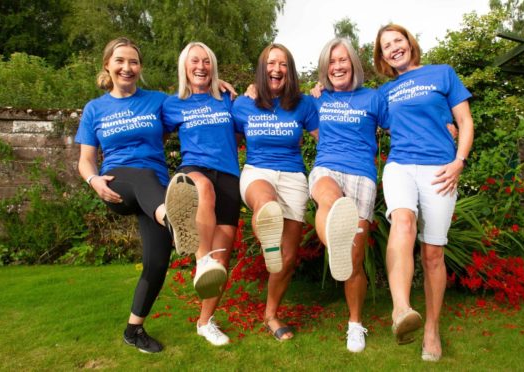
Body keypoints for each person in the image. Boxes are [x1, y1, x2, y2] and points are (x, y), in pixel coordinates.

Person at [373, 24, 474, 361]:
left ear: (409, 43)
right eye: (386, 45)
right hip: (400, 165)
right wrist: (318, 93)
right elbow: (353, 109)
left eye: (397, 40)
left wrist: (459, 161)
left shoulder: (442, 74)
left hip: (440, 171)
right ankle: (401, 309)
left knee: (432, 253)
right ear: (382, 56)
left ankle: (431, 329)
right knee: (403, 222)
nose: (393, 48)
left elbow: (465, 121)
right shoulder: (386, 92)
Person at [76, 37, 172, 353]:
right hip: (117, 184)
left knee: (157, 262)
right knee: (141, 174)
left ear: (140, 67)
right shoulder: (95, 109)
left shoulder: (157, 101)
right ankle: (175, 220)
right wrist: (93, 181)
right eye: (120, 61)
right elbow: (86, 159)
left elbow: (193, 104)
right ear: (108, 65)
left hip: (154, 191)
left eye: (133, 62)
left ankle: (134, 330)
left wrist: (218, 85)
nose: (126, 67)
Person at [232, 43, 319, 341]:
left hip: (294, 177)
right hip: (257, 172)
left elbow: (329, 137)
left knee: (289, 255)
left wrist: (324, 92)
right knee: (265, 202)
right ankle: (268, 239)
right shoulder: (243, 104)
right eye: (271, 63)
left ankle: (271, 315)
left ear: (289, 71)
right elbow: (218, 132)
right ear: (262, 68)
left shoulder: (304, 104)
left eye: (282, 64)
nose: (276, 69)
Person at [309, 38, 388, 352]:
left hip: (362, 176)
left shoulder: (373, 98)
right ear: (325, 68)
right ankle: (337, 243)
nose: (337, 66)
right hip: (326, 167)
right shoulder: (316, 99)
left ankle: (355, 323)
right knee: (328, 198)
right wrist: (251, 90)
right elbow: (277, 103)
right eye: (331, 61)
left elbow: (405, 125)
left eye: (342, 60)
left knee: (354, 265)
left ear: (353, 63)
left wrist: (443, 125)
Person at [162, 41, 241, 346]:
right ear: (184, 66)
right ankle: (201, 257)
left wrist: (247, 87)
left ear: (213, 67)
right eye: (194, 61)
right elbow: (153, 137)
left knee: (221, 264)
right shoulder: (172, 104)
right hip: (194, 169)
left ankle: (205, 322)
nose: (201, 67)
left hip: (229, 177)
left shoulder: (227, 98)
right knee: (203, 189)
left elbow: (246, 121)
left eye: (206, 62)